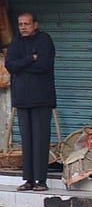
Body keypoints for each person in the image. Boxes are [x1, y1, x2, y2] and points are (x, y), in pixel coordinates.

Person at [4, 12, 55, 191]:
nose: (23, 27)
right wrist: (29, 60)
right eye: (20, 24)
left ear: (35, 24)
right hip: (22, 99)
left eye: (27, 23)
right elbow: (10, 65)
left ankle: (41, 180)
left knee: (40, 140)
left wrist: (22, 66)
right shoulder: (16, 43)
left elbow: (44, 65)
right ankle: (28, 180)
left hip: (42, 99)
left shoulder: (44, 40)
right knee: (27, 141)